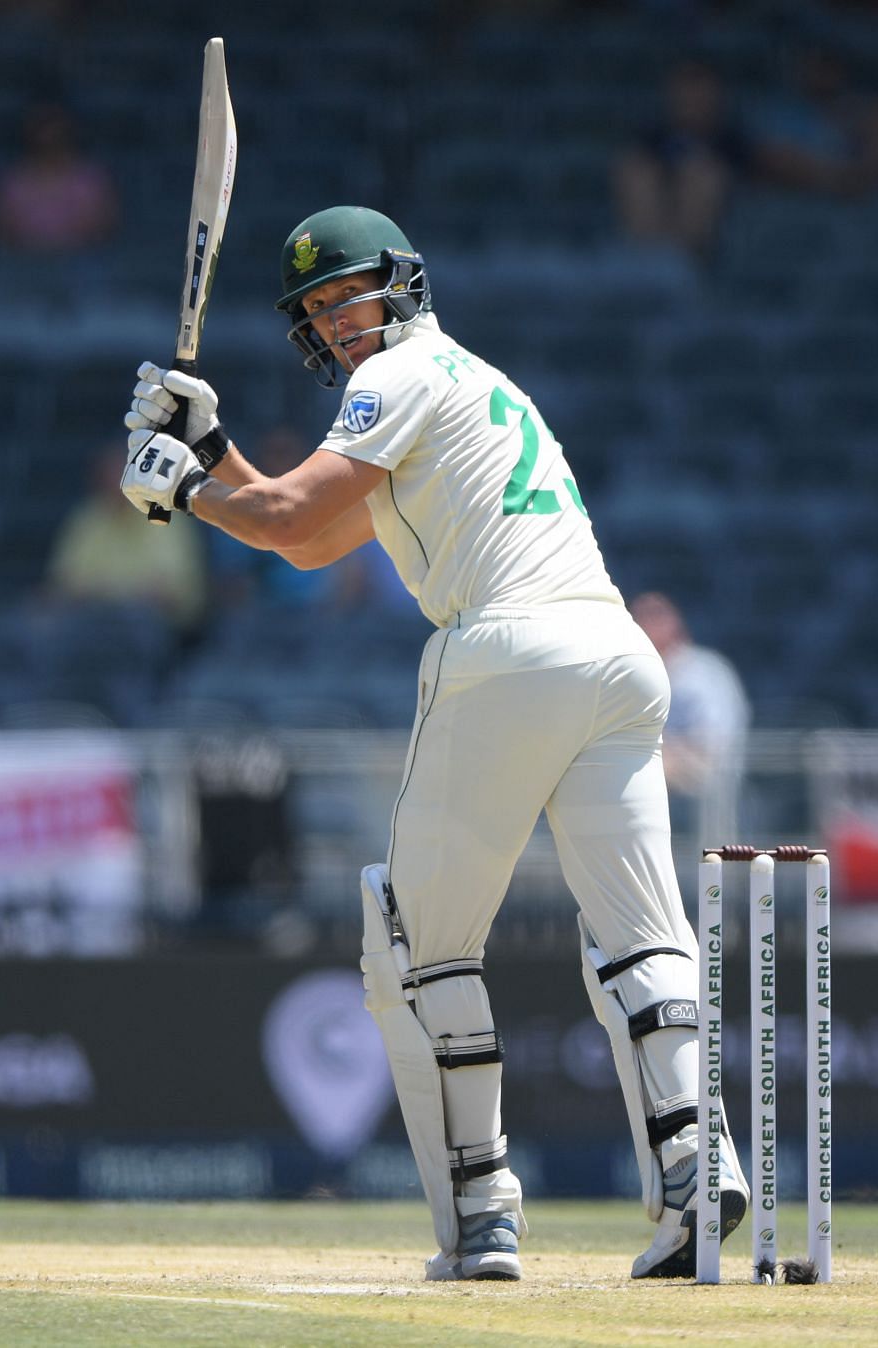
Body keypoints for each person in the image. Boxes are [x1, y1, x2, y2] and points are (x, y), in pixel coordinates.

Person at [118, 206, 748, 1281]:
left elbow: (278, 520)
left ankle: (481, 1217)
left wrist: (177, 483)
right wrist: (212, 449)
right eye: (314, 308)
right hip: (617, 657)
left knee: (414, 947)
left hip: (506, 652)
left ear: (401, 284)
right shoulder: (472, 383)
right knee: (643, 939)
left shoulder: (395, 374)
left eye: (345, 294)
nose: (332, 319)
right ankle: (698, 1162)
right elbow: (318, 540)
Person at [631, 592, 750, 851]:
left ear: (676, 624)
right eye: (640, 617)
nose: (644, 624)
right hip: (652, 790)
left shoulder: (702, 673)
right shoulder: (634, 674)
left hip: (705, 796)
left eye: (656, 615)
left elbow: (711, 751)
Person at [44, 450, 206, 636]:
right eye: (108, 478)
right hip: (91, 623)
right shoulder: (87, 519)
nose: (116, 485)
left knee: (137, 624)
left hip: (154, 626)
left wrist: (105, 592)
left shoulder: (165, 515)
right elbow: (63, 585)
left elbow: (172, 593)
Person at [612, 60, 749, 260]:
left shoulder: (733, 140)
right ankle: (648, 256)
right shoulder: (654, 138)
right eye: (685, 93)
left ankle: (682, 258)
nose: (692, 100)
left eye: (700, 94)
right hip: (657, 220)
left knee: (702, 175)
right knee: (637, 171)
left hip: (714, 236)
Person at [751, 44, 878, 198]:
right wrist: (830, 178)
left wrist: (856, 178)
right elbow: (773, 159)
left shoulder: (870, 111)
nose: (821, 75)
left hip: (863, 197)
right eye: (815, 67)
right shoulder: (776, 112)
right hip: (796, 196)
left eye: (827, 67)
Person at [0, 100, 118, 255]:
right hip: (22, 263)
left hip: (83, 263)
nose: (49, 137)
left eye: (56, 132)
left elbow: (105, 226)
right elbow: (0, 228)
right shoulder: (12, 180)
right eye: (42, 129)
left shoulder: (92, 178)